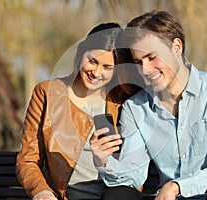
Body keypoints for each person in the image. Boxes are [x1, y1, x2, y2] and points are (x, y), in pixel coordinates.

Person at [90, 11, 207, 200]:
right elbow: (132, 174)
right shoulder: (136, 107)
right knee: (117, 195)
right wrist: (103, 161)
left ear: (176, 47)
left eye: (152, 57)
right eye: (138, 62)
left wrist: (177, 186)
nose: (145, 70)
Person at [16, 22, 143, 200]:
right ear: (80, 53)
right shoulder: (46, 93)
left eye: (107, 67)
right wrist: (42, 192)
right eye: (93, 61)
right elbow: (28, 159)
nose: (97, 72)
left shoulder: (123, 102)